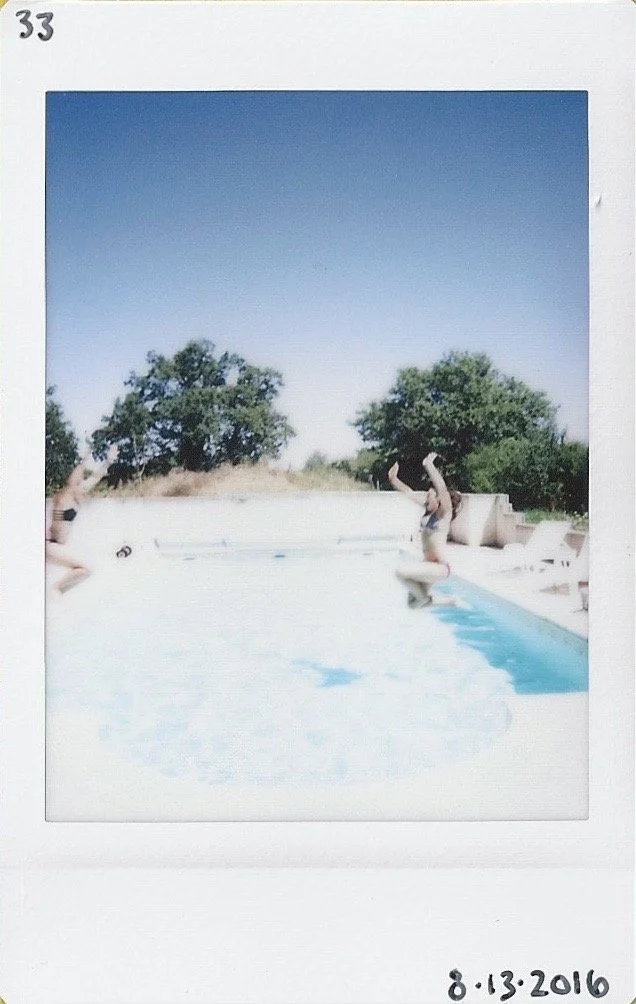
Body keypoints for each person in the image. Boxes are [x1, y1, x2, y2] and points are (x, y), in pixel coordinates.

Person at [388, 452, 463, 608]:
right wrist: (394, 479)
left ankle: (425, 599)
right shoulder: (428, 510)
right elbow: (408, 492)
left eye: (430, 495)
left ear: (439, 500)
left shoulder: (444, 515)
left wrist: (428, 465)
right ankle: (449, 601)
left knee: (400, 572)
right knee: (412, 604)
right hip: (427, 565)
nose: (426, 497)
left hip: (439, 567)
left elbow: (441, 488)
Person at [46, 445, 118, 593]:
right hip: (51, 546)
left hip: (53, 546)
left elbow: (95, 477)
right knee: (86, 568)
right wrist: (84, 460)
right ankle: (56, 590)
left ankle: (57, 590)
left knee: (86, 567)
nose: (85, 488)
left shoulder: (71, 494)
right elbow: (76, 481)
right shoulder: (66, 496)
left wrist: (108, 461)